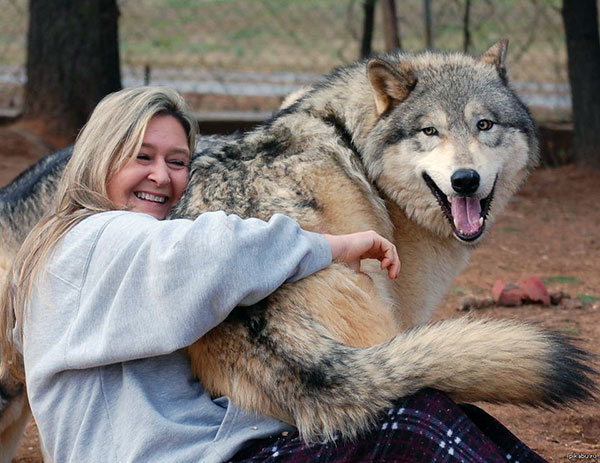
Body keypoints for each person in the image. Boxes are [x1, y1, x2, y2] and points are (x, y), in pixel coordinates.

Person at [0, 87, 545, 463]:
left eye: (178, 161)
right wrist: (331, 244)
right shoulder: (95, 239)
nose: (163, 178)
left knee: (426, 417)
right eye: (141, 157)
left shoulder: (74, 249)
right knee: (412, 428)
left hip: (189, 448)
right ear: (98, 158)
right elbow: (213, 253)